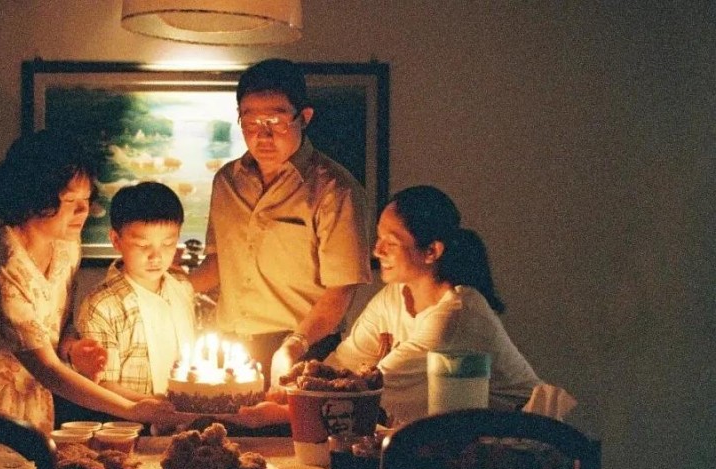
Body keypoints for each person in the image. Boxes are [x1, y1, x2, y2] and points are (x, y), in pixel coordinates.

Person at [0, 130, 180, 434]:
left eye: (86, 199)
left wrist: (73, 349)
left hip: (27, 398)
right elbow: (46, 367)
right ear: (35, 200)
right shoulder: (2, 264)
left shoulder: (66, 246)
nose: (83, 210)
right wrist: (131, 409)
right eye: (70, 200)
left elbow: (56, 328)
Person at [235, 185, 542, 428]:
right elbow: (344, 367)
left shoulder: (455, 316)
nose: (377, 250)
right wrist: (293, 364)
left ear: (431, 251)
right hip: (458, 439)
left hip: (520, 440)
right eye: (379, 238)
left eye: (390, 243)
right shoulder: (394, 296)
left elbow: (366, 393)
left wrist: (279, 413)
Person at [189, 58, 372, 389]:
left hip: (301, 347)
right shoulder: (226, 182)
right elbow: (218, 264)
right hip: (232, 346)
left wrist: (296, 344)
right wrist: (164, 285)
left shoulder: (334, 188)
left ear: (304, 117)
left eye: (276, 120)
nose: (263, 135)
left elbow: (342, 287)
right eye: (251, 121)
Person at [73, 181, 196, 402]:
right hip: (128, 418)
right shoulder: (103, 306)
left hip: (187, 414)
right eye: (142, 245)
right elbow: (101, 384)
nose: (156, 256)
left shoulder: (182, 288)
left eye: (168, 244)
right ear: (116, 240)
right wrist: (152, 406)